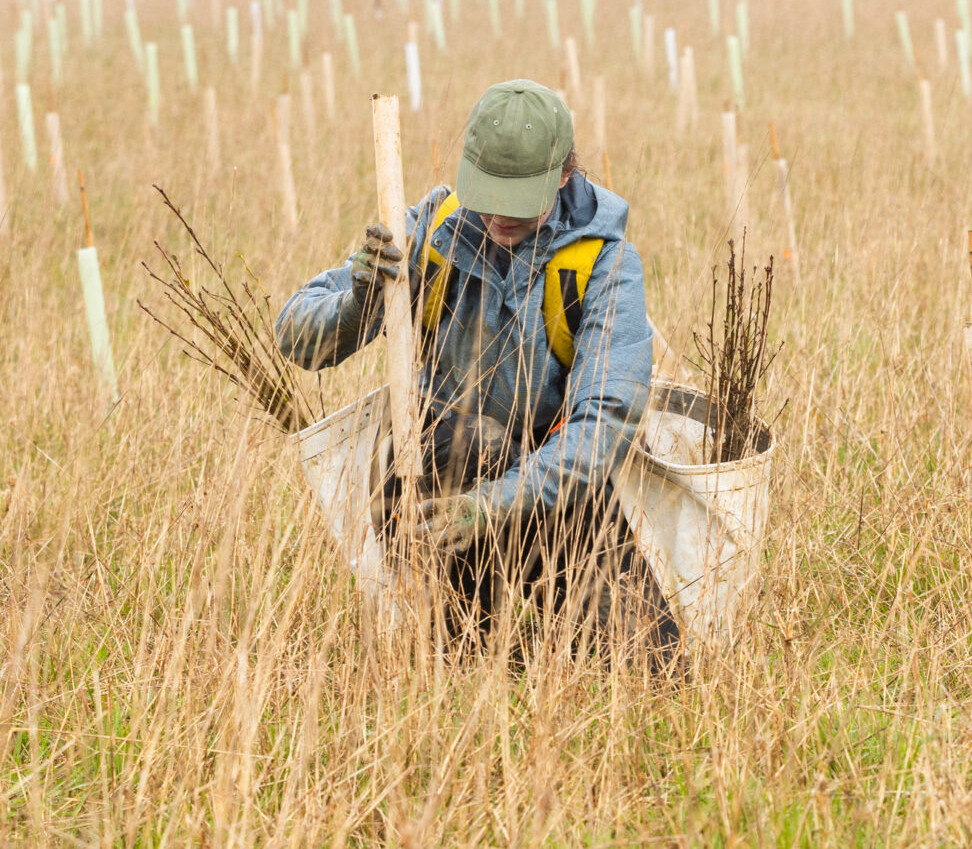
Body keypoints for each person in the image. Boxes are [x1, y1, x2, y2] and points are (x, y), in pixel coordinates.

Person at [276, 79, 679, 668]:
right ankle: (467, 651)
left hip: (551, 492)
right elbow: (295, 338)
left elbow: (601, 428)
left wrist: (495, 505)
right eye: (489, 195)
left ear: (564, 175)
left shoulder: (605, 264)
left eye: (519, 201)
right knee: (468, 673)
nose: (498, 217)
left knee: (657, 670)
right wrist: (362, 296)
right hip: (433, 489)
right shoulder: (430, 229)